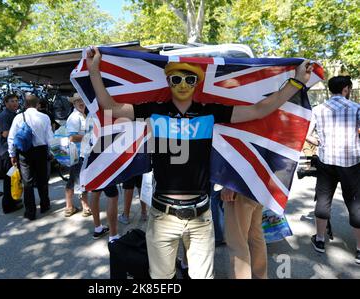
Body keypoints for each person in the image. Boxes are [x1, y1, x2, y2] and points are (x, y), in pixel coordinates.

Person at [86, 46, 313, 279]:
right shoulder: (153, 110)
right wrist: (94, 71)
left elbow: (259, 110)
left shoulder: (210, 112)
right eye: (176, 79)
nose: (183, 84)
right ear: (169, 82)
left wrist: (296, 83)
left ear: (196, 83)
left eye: (189, 79)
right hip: (162, 217)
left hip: (201, 218)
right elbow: (110, 107)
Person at [306, 76, 360, 264]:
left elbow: (307, 135)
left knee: (323, 198)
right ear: (346, 88)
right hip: (351, 163)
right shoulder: (356, 108)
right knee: (355, 203)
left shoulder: (318, 110)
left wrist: (320, 142)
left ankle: (320, 240)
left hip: (326, 161)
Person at [8, 94, 53, 221]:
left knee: (27, 182)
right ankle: (45, 204)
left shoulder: (18, 117)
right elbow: (50, 138)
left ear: (25, 104)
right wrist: (51, 153)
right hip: (41, 150)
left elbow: (11, 138)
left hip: (24, 151)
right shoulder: (45, 117)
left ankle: (30, 211)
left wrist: (12, 154)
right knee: (42, 179)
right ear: (37, 104)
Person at [221, 189, 267, 278]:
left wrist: (230, 186)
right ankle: (260, 276)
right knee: (255, 236)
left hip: (239, 188)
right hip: (258, 187)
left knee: (237, 242)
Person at [64, 93, 91, 217]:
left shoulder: (81, 115)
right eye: (78, 101)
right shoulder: (75, 117)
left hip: (79, 153)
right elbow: (72, 137)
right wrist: (89, 137)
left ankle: (69, 207)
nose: (81, 103)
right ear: (73, 103)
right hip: (77, 153)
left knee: (73, 179)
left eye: (82, 100)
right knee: (80, 180)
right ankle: (85, 207)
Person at [0, 94, 23, 214]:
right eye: (12, 101)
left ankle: (13, 200)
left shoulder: (14, 114)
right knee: (8, 179)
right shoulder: (5, 115)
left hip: (12, 151)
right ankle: (7, 205)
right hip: (7, 152)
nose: (15, 103)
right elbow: (5, 134)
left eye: (16, 101)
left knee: (14, 178)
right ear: (6, 103)